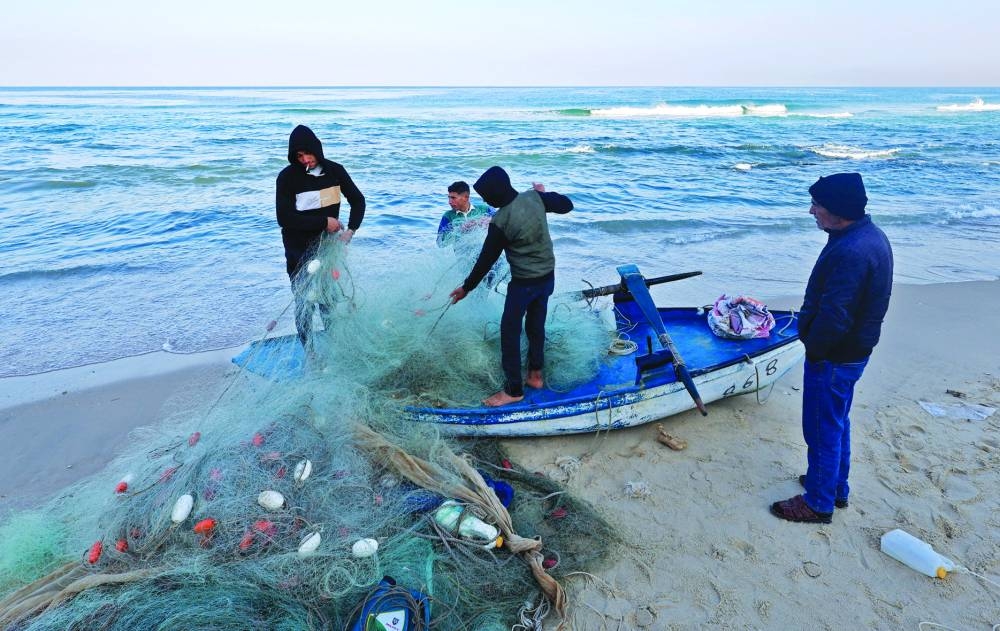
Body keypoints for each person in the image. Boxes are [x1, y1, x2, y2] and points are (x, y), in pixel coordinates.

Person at [771, 172, 893, 524]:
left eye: (817, 205)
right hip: (852, 351)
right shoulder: (863, 235)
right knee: (836, 421)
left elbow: (835, 314)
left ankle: (819, 502)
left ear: (838, 211)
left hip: (836, 355)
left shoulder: (853, 250)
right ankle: (834, 486)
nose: (811, 211)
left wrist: (815, 347)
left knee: (822, 427)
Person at [449, 166, 573, 407]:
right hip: (547, 276)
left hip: (524, 283)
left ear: (494, 196)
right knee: (536, 325)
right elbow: (566, 205)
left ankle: (514, 389)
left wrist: (466, 288)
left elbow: (486, 259)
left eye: (486, 196)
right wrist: (543, 193)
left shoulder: (500, 220)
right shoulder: (534, 198)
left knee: (510, 332)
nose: (484, 200)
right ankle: (535, 375)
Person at [275, 125, 365, 346]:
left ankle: (333, 343)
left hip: (327, 249)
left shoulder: (335, 171)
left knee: (328, 299)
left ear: (317, 149)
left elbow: (358, 201)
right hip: (298, 251)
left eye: (308, 153)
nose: (305, 159)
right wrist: (324, 222)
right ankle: (310, 351)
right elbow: (284, 218)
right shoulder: (287, 178)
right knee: (304, 302)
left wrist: (351, 230)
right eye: (299, 156)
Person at [437, 181, 494, 247]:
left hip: (488, 252)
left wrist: (483, 221)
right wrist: (460, 230)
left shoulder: (484, 209)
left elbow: (501, 221)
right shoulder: (448, 216)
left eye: (453, 198)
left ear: (466, 197)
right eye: (449, 198)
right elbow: (440, 242)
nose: (449, 202)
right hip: (462, 256)